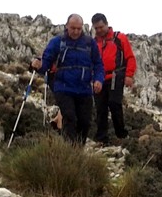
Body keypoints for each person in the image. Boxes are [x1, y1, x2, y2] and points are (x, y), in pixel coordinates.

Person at [31, 14, 104, 145]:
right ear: (66, 26)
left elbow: (98, 64)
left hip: (84, 90)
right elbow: (46, 62)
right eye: (73, 28)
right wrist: (39, 65)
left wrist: (99, 80)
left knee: (85, 122)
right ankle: (70, 149)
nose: (76, 31)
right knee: (69, 117)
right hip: (63, 88)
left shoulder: (89, 43)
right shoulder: (57, 42)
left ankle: (78, 150)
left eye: (79, 28)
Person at [91, 13, 137, 146]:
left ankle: (121, 135)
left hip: (116, 77)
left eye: (101, 27)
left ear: (106, 24)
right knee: (100, 108)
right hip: (99, 79)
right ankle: (101, 138)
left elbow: (130, 57)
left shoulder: (119, 38)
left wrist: (129, 75)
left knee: (114, 104)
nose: (99, 30)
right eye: (96, 28)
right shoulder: (94, 43)